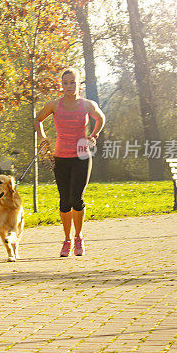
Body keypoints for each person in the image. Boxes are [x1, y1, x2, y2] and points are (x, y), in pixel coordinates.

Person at [34, 67, 105, 257]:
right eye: (65, 83)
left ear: (78, 83)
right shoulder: (54, 105)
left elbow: (101, 118)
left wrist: (94, 135)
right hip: (60, 157)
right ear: (61, 85)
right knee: (64, 201)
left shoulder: (87, 105)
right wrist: (43, 137)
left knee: (76, 198)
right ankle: (67, 240)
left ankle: (78, 237)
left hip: (81, 155)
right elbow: (38, 119)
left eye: (72, 82)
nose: (68, 86)